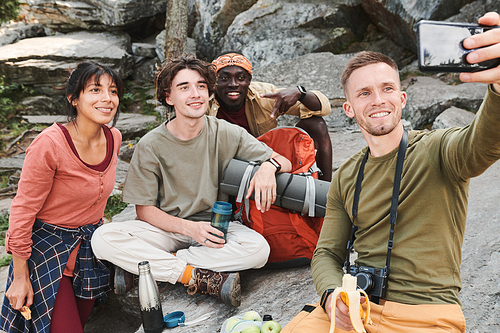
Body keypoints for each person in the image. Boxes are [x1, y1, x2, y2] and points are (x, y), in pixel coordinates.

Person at [283, 12, 500, 333]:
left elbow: (482, 145)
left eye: (386, 88)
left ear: (402, 98)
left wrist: (496, 89)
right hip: (355, 304)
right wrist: (331, 295)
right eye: (364, 93)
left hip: (426, 314)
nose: (378, 100)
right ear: (349, 108)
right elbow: (327, 252)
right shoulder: (346, 176)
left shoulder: (439, 149)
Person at [91, 55, 292, 307]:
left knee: (259, 251)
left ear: (208, 93)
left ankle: (147, 265)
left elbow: (284, 161)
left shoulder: (226, 132)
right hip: (167, 229)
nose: (195, 94)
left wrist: (267, 167)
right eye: (184, 87)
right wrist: (189, 229)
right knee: (102, 238)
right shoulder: (151, 144)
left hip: (216, 229)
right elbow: (144, 211)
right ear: (169, 97)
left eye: (200, 86)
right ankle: (195, 276)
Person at [0, 62, 124, 333]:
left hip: (89, 251)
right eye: (95, 89)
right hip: (46, 250)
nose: (107, 98)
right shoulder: (50, 144)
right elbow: (22, 210)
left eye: (113, 91)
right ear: (74, 98)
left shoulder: (114, 137)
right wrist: (19, 277)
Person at [208, 51, 333, 181]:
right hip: (220, 161)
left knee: (316, 124)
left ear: (249, 80)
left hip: (264, 158)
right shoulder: (203, 99)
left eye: (240, 78)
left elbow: (323, 108)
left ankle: (324, 193)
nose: (233, 84)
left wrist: (300, 93)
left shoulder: (263, 95)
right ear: (213, 82)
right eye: (224, 78)